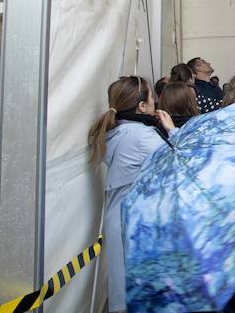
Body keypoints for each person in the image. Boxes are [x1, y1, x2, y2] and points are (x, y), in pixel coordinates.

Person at [87, 76, 176, 313]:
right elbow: (179, 163)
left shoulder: (115, 131)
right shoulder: (140, 135)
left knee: (123, 288)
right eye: (151, 96)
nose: (155, 101)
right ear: (141, 106)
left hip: (119, 215)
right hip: (136, 220)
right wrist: (172, 131)